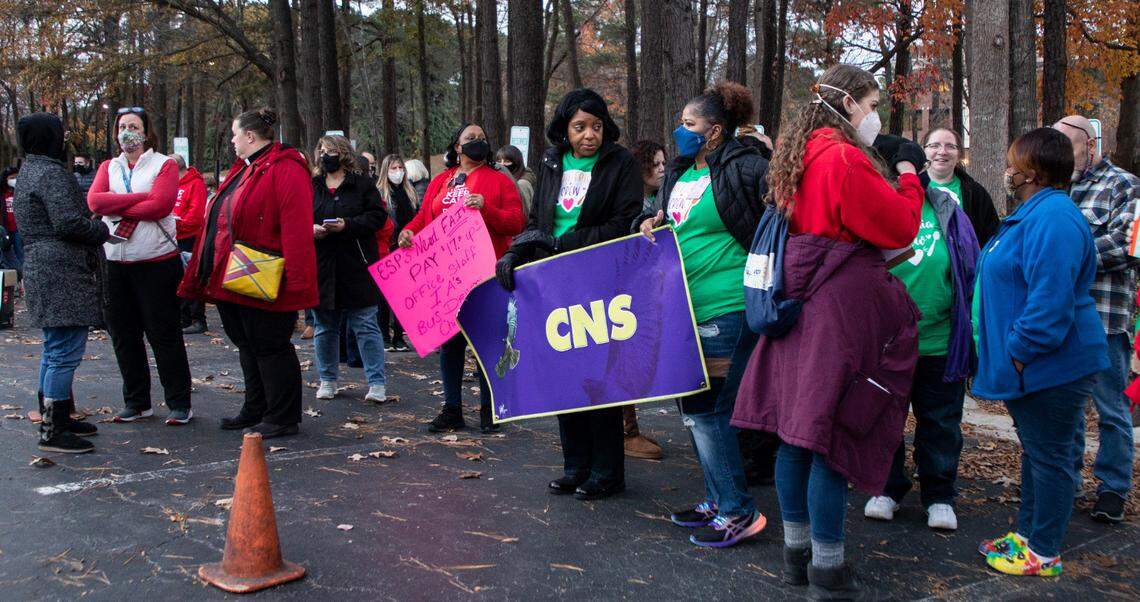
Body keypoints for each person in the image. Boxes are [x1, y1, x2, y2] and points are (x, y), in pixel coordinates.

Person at [731, 64, 925, 598]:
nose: (875, 116)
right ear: (848, 104)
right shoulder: (842, 157)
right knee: (828, 444)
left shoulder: (800, 154)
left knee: (795, 438)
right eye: (870, 104)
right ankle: (829, 570)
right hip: (836, 314)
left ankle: (797, 556)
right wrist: (909, 176)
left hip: (797, 306)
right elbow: (900, 225)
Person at [637, 82, 769, 547]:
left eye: (689, 125)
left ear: (714, 132)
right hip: (682, 304)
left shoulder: (747, 167)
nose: (680, 131)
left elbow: (772, 224)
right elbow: (672, 220)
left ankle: (739, 510)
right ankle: (716, 499)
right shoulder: (677, 172)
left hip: (727, 304)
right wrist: (652, 220)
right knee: (691, 409)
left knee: (709, 409)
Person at [495, 88, 642, 500]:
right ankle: (576, 466)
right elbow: (540, 219)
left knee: (598, 378)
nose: (589, 135)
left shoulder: (621, 163)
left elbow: (624, 224)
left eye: (596, 126)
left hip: (599, 283)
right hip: (553, 283)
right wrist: (516, 250)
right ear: (565, 129)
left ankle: (608, 470)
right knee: (564, 375)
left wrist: (565, 243)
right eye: (580, 127)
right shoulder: (551, 161)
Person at [974, 127, 1108, 577]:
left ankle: (1044, 551)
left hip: (1051, 364)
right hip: (1037, 365)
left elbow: (1050, 302)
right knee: (1038, 452)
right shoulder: (1036, 213)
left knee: (1050, 456)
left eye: (1013, 163)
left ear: (1031, 171)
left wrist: (1018, 353)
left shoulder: (1053, 218)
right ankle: (1029, 535)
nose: (1007, 170)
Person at [862, 134, 981, 531]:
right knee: (885, 419)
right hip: (886, 342)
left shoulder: (946, 207)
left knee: (941, 422)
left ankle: (940, 495)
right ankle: (887, 487)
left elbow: (968, 265)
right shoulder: (877, 210)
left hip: (939, 338)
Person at [178, 108, 318, 440]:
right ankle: (256, 407)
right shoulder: (247, 170)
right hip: (238, 274)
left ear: (250, 137)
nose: (232, 140)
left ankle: (282, 415)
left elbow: (296, 229)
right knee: (248, 344)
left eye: (235, 134)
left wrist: (296, 283)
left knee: (270, 346)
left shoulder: (284, 170)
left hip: (265, 274)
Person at [400, 123, 524, 433]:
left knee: (486, 343)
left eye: (482, 138)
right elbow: (423, 217)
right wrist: (409, 232)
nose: (477, 142)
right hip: (445, 276)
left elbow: (517, 221)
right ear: (457, 146)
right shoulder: (441, 180)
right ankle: (452, 408)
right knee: (451, 344)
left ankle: (489, 410)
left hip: (484, 275)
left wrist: (488, 208)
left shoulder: (498, 180)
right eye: (470, 139)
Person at [1053, 114, 1140, 523]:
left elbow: (1126, 247)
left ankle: (1112, 489)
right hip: (1060, 318)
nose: (1059, 154)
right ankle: (1065, 482)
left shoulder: (1124, 184)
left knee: (1111, 409)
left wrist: (1064, 254)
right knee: (1066, 408)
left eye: (1066, 145)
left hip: (1105, 317)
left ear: (1090, 143)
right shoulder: (1055, 187)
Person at [88, 107, 193, 425]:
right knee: (123, 333)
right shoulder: (109, 166)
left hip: (156, 262)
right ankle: (137, 401)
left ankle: (179, 401)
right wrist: (140, 199)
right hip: (116, 261)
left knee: (164, 333)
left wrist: (118, 205)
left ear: (146, 132)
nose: (126, 132)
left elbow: (161, 205)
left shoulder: (164, 165)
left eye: (133, 126)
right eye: (122, 126)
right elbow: (94, 202)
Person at [13, 113, 107, 453]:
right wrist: (100, 229)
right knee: (63, 350)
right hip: (60, 269)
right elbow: (69, 223)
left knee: (55, 347)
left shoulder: (29, 170)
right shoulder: (51, 173)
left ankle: (57, 415)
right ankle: (53, 428)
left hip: (44, 265)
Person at [309, 134, 389, 404]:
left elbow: (378, 217)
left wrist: (348, 225)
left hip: (357, 264)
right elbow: (296, 217)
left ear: (342, 154)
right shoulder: (313, 186)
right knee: (324, 326)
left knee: (365, 324)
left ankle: (376, 382)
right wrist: (311, 229)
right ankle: (327, 379)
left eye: (329, 150)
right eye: (321, 150)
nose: (324, 154)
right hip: (322, 265)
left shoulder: (362, 185)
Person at [920, 128, 1001, 246]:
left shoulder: (975, 192)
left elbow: (991, 237)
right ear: (924, 151)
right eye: (934, 146)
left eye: (950, 146)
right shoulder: (909, 187)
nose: (942, 151)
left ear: (959, 155)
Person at [377, 153, 417, 352]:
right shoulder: (380, 193)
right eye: (393, 168)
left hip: (407, 248)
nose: (398, 172)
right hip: (388, 248)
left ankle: (399, 336)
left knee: (403, 296)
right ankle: (384, 334)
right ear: (386, 171)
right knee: (384, 296)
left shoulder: (410, 192)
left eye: (400, 168)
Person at [172, 154, 209, 334]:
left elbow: (195, 215)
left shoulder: (196, 184)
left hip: (189, 237)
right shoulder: (172, 183)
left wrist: (176, 223)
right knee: (177, 277)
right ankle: (182, 317)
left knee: (191, 276)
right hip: (172, 236)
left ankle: (197, 318)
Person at [494, 145, 535, 217]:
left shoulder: (522, 184)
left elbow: (525, 213)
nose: (502, 165)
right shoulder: (505, 180)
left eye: (507, 161)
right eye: (499, 161)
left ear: (516, 163)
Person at [631, 140, 666, 213]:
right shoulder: (629, 203)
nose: (662, 169)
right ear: (641, 167)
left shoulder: (666, 196)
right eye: (655, 164)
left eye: (663, 163)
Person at [1, 165, 23, 276]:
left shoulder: (20, 192)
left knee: (20, 253)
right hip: (5, 229)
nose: (15, 180)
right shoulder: (2, 193)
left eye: (16, 177)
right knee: (6, 254)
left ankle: (22, 279)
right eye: (12, 177)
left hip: (18, 228)